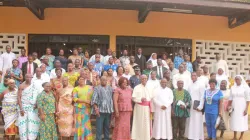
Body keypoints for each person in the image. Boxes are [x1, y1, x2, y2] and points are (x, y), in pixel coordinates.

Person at [17, 74, 40, 140]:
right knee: (23, 125)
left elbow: (37, 96)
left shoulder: (34, 86)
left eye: (30, 77)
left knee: (32, 124)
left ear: (32, 78)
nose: (28, 78)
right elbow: (19, 97)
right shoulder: (21, 86)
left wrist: (36, 104)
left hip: (32, 108)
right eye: (27, 77)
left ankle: (31, 138)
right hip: (23, 107)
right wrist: (21, 109)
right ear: (25, 77)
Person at [228, 75, 250, 140]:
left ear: (241, 80)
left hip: (242, 106)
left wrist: (246, 109)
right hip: (234, 106)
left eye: (238, 79)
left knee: (242, 121)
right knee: (234, 121)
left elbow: (248, 99)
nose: (237, 80)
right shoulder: (232, 87)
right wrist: (229, 106)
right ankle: (234, 136)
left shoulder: (245, 87)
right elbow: (230, 98)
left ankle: (241, 136)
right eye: (236, 79)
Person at [92, 76, 114, 140]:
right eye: (102, 80)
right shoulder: (97, 88)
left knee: (107, 128)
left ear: (107, 81)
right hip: (100, 112)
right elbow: (94, 99)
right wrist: (96, 109)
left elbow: (112, 99)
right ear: (100, 81)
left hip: (108, 112)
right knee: (99, 128)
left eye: (105, 80)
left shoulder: (110, 88)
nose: (103, 81)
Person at [184, 72, 205, 140]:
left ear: (197, 76)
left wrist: (200, 106)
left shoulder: (201, 84)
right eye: (192, 75)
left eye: (194, 75)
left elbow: (202, 96)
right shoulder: (189, 85)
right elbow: (188, 96)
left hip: (197, 106)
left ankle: (197, 137)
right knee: (190, 121)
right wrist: (186, 104)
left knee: (197, 121)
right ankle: (191, 136)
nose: (193, 76)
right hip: (190, 106)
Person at [131, 75, 153, 140]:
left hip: (147, 108)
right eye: (142, 78)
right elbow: (133, 98)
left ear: (147, 79)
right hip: (139, 107)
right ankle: (137, 137)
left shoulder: (150, 87)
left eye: (145, 78)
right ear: (140, 79)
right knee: (139, 122)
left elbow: (151, 98)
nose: (144, 80)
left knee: (146, 123)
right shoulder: (136, 87)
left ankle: (146, 137)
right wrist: (140, 99)